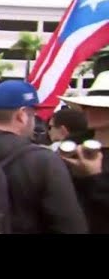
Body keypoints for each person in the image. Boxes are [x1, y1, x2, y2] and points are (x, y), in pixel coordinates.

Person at [0, 80, 87, 233]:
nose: (35, 122)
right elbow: (71, 227)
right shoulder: (43, 161)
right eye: (33, 115)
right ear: (21, 115)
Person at [59, 67, 109, 233]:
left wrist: (93, 177)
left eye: (100, 107)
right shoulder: (73, 143)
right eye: (86, 105)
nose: (88, 110)